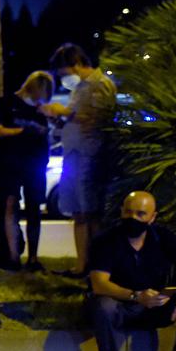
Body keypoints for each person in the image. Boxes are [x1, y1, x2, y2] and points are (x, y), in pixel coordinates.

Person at [87, 191, 176, 351]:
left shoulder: (162, 236)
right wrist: (136, 295)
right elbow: (99, 284)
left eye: (141, 214)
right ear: (121, 212)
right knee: (102, 305)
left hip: (159, 295)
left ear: (152, 217)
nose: (133, 219)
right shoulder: (107, 240)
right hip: (122, 299)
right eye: (129, 212)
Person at [41, 43, 117, 278]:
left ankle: (96, 267)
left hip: (89, 154)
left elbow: (98, 117)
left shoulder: (100, 84)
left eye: (64, 73)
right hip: (72, 153)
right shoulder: (81, 87)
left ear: (75, 64)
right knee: (77, 212)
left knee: (90, 212)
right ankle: (80, 265)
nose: (64, 78)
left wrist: (60, 111)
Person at [0, 70, 54, 271]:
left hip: (35, 164)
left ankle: (33, 258)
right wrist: (24, 131)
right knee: (10, 206)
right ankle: (13, 256)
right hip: (11, 163)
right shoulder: (7, 104)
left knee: (35, 210)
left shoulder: (40, 110)